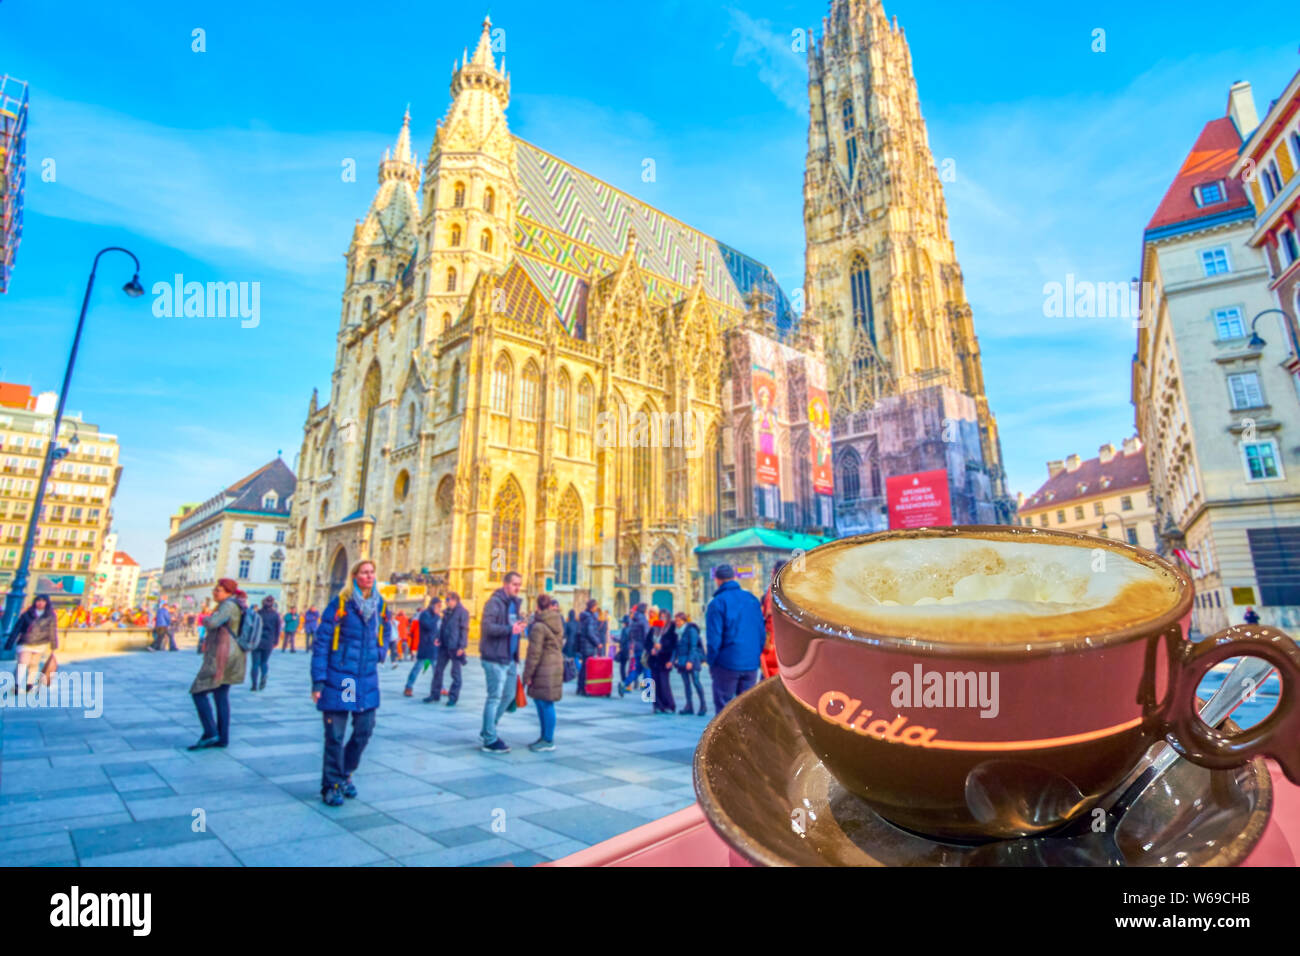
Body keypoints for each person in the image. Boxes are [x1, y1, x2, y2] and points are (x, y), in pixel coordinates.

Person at [312, 559, 391, 806]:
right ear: (354, 576)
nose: (369, 576)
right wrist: (318, 681)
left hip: (366, 676)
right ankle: (332, 784)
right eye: (364, 572)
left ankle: (345, 773)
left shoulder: (380, 605)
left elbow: (387, 630)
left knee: (364, 730)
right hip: (345, 678)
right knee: (335, 734)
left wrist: (381, 651)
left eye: (372, 572)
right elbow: (322, 641)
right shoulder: (341, 603)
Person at [188, 579, 247, 750]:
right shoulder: (237, 605)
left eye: (218, 590)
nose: (215, 593)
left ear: (228, 593)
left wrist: (206, 618)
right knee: (221, 696)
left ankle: (211, 732)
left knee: (198, 692)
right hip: (233, 654)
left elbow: (213, 623)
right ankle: (222, 737)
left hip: (223, 655)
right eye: (215, 589)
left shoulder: (228, 606)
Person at [705, 564, 766, 714]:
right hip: (750, 664)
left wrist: (712, 663)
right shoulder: (752, 599)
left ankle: (725, 738)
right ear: (734, 577)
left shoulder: (717, 603)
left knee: (724, 711)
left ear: (717, 580)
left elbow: (714, 640)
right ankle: (745, 738)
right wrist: (755, 657)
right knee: (747, 710)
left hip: (727, 664)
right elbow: (761, 632)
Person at [479, 571, 525, 753]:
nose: (518, 587)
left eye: (519, 584)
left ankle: (488, 729)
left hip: (510, 657)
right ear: (506, 584)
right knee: (494, 697)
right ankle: (490, 739)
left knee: (509, 695)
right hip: (495, 657)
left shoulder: (514, 604)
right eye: (515, 584)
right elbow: (487, 627)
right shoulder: (494, 602)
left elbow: (512, 627)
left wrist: (520, 626)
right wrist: (509, 629)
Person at [522, 594, 564, 752]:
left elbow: (534, 653)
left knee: (544, 703)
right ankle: (545, 737)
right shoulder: (557, 620)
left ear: (538, 607)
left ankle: (548, 739)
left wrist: (527, 676)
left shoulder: (539, 626)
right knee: (544, 702)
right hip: (554, 665)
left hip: (544, 666)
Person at [4, 594, 58, 693]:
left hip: (40, 643)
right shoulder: (27, 614)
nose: (40, 603)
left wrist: (54, 645)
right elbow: (17, 628)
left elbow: (52, 630)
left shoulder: (50, 616)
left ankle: (29, 685)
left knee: (34, 664)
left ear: (47, 603)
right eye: (38, 600)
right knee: (23, 663)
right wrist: (10, 642)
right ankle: (17, 685)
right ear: (35, 602)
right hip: (26, 642)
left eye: (43, 601)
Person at [429, 592, 469, 706]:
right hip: (444, 646)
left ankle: (453, 697)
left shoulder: (462, 612)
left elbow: (464, 630)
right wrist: (438, 638)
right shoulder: (446, 612)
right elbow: (442, 627)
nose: (446, 602)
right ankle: (434, 694)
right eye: (446, 600)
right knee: (438, 670)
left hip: (455, 647)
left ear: (455, 600)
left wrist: (462, 646)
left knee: (455, 673)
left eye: (448, 599)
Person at [406, 596, 441, 697]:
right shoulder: (425, 614)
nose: (439, 608)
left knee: (437, 670)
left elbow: (438, 629)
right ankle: (409, 686)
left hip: (434, 647)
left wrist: (439, 639)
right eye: (438, 606)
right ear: (433, 605)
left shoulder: (437, 616)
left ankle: (440, 687)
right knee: (417, 668)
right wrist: (436, 616)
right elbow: (429, 626)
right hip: (425, 646)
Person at [672, 611, 707, 715]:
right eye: (676, 621)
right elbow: (677, 647)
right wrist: (675, 659)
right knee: (686, 684)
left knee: (696, 682)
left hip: (693, 660)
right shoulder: (678, 632)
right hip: (682, 661)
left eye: (678, 621)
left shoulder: (691, 630)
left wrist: (690, 661)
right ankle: (689, 706)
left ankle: (703, 706)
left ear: (684, 620)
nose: (677, 623)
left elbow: (693, 647)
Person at [760, 560, 787, 680]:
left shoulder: (774, 591)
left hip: (775, 647)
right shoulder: (792, 590)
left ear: (773, 573)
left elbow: (770, 622)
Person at [649, 612, 679, 713]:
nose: (662, 619)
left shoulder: (672, 630)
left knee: (664, 684)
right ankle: (657, 705)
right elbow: (647, 642)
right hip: (654, 660)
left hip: (665, 660)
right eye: (661, 617)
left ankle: (669, 705)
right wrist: (651, 649)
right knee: (655, 683)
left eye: (664, 617)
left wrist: (662, 648)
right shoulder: (655, 628)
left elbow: (673, 646)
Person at [250, 596, 281, 691]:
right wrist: (276, 641)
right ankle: (264, 675)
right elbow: (277, 629)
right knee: (264, 662)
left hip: (257, 640)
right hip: (269, 641)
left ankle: (254, 685)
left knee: (255, 663)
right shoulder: (275, 615)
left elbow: (252, 627)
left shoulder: (258, 613)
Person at [619, 603, 649, 696]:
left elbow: (631, 634)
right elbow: (647, 635)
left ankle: (624, 684)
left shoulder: (633, 620)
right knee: (647, 669)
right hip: (644, 647)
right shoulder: (643, 620)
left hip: (636, 647)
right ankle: (648, 692)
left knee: (638, 669)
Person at [576, 599, 602, 696]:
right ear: (592, 607)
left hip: (584, 645)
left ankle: (580, 687)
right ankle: (583, 688)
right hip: (588, 646)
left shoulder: (585, 616)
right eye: (595, 606)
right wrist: (597, 643)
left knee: (583, 667)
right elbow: (590, 632)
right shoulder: (590, 618)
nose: (596, 608)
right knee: (586, 668)